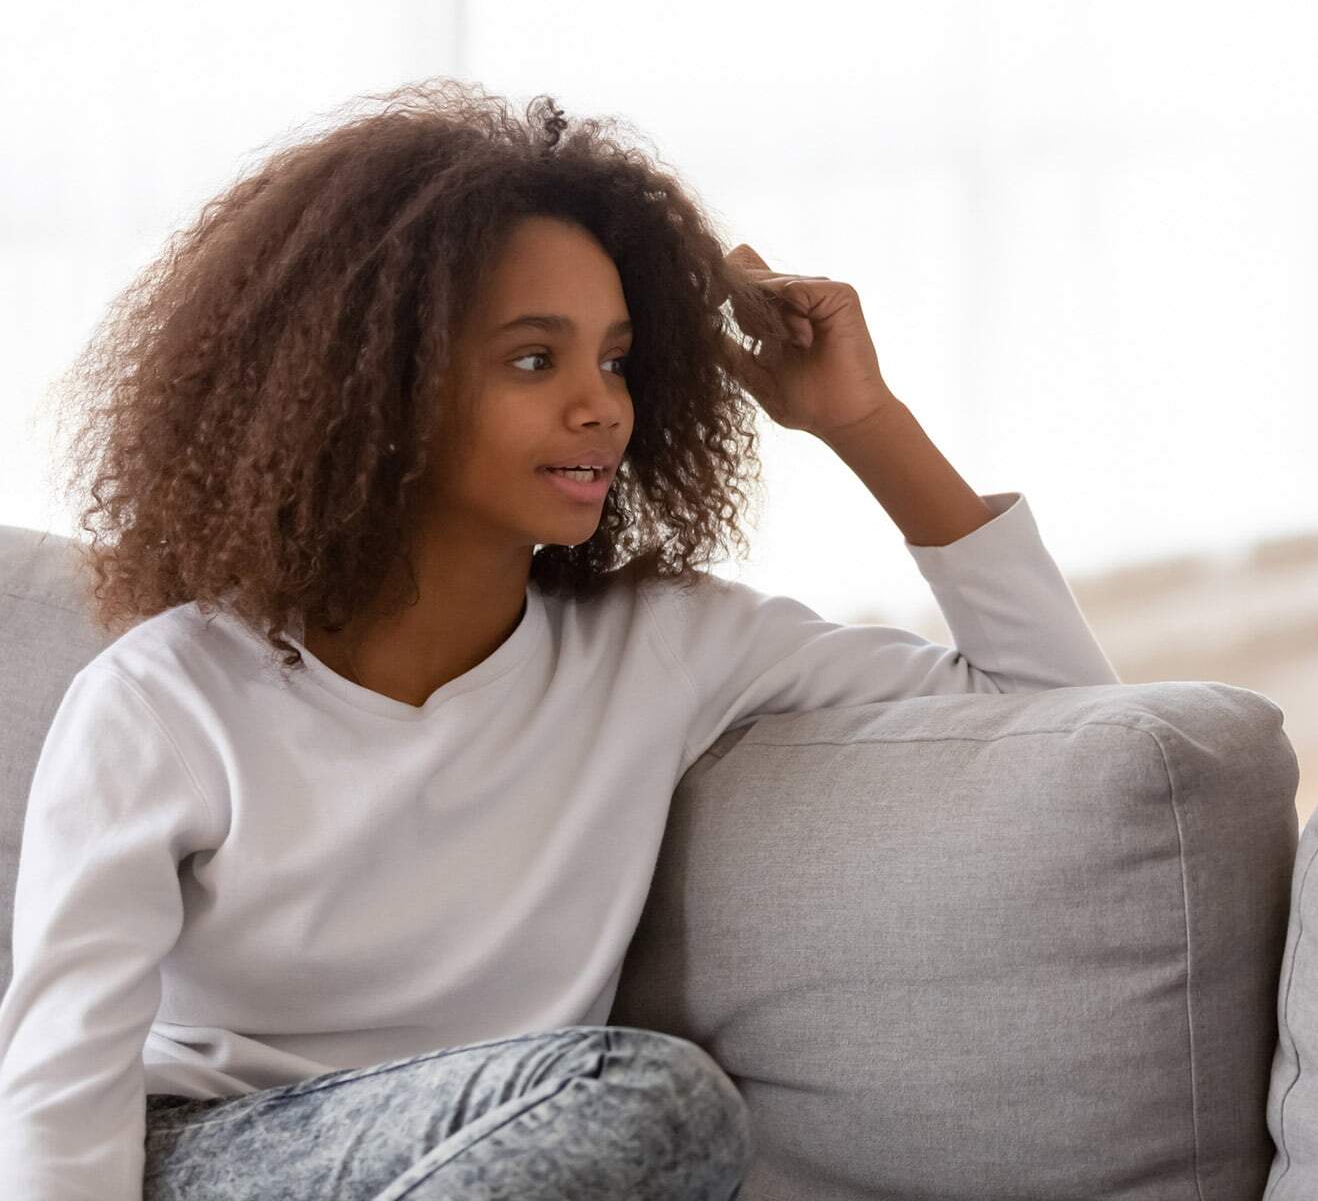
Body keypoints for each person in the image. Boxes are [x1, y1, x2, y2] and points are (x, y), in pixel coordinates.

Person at [0, 79, 1117, 1200]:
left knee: (649, 1106)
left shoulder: (665, 646)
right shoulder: (167, 695)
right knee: (649, 1097)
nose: (602, 407)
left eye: (619, 359)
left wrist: (863, 420)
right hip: (203, 1153)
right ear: (374, 388)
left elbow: (1055, 705)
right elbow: (60, 1081)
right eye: (535, 360)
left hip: (523, 1148)